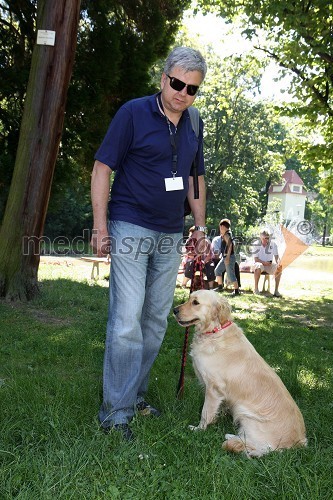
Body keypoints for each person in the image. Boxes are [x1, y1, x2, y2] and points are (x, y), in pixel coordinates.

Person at [90, 46, 207, 440]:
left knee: (156, 321)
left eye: (191, 89)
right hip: (129, 225)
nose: (182, 94)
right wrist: (100, 226)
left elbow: (194, 178)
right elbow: (102, 167)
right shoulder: (133, 113)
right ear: (163, 78)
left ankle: (134, 394)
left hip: (172, 231)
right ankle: (116, 411)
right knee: (126, 320)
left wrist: (201, 228)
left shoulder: (194, 121)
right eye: (177, 84)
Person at [213, 219, 240, 296]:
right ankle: (220, 286)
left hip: (228, 257)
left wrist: (228, 257)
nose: (220, 229)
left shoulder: (226, 235)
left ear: (222, 226)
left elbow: (230, 245)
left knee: (231, 274)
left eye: (220, 227)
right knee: (217, 270)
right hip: (224, 257)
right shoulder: (227, 234)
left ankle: (236, 290)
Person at [252, 230, 282, 297]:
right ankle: (256, 289)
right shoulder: (256, 244)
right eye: (264, 238)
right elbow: (256, 259)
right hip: (259, 263)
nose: (266, 240)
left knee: (279, 268)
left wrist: (279, 263)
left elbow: (277, 257)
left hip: (269, 265)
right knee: (258, 266)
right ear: (260, 238)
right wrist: (264, 263)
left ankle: (276, 291)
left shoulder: (273, 244)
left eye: (267, 238)